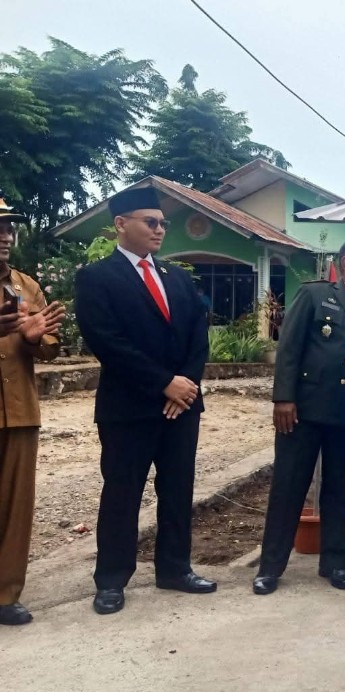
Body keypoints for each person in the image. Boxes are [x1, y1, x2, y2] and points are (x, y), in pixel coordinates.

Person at [75, 187, 213, 616]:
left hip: (182, 405)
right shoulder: (97, 277)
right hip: (129, 408)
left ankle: (174, 569)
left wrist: (186, 384)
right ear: (121, 224)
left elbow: (197, 335)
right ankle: (112, 580)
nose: (159, 230)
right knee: (122, 493)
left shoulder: (176, 277)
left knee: (177, 489)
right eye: (150, 222)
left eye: (162, 223)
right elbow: (107, 342)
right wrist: (162, 384)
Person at [252, 239, 345, 596]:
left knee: (339, 491)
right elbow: (289, 346)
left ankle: (334, 562)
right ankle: (270, 567)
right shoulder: (316, 295)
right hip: (303, 410)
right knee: (288, 487)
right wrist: (283, 397)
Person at [0, 196, 65, 626]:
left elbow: (51, 350)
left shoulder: (25, 285)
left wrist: (34, 336)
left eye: (8, 229)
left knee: (16, 506)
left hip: (20, 410)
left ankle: (6, 594)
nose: (5, 236)